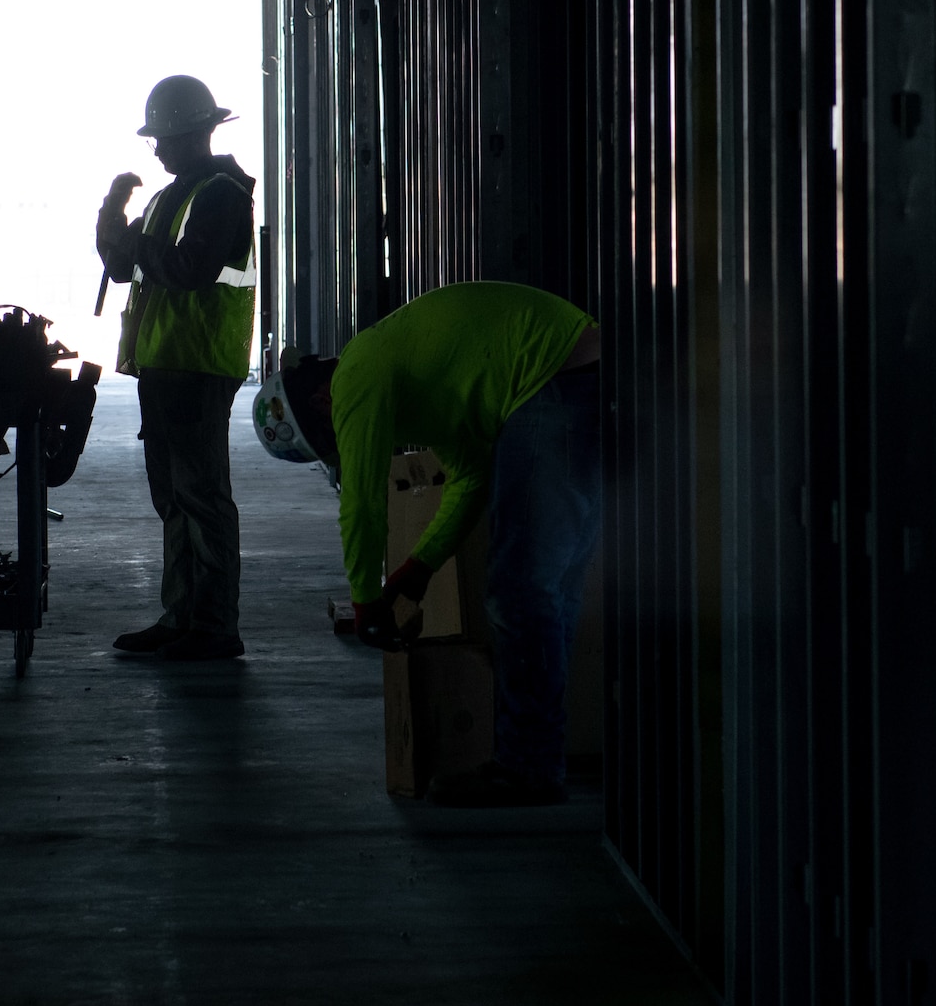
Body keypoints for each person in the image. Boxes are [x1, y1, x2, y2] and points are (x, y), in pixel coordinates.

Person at [251, 282, 601, 804]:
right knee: (552, 590)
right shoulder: (423, 385)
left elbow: (365, 501)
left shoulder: (354, 376)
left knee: (519, 590)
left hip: (550, 379)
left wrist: (367, 601)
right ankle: (546, 754)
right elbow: (470, 477)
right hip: (575, 374)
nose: (344, 449)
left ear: (323, 403)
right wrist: (418, 567)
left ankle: (528, 768)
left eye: (334, 441)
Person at [97, 75, 257, 662]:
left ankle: (214, 626)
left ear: (194, 135)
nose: (157, 148)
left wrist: (134, 244)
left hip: (197, 367)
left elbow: (189, 268)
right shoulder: (171, 197)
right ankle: (182, 615)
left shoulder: (221, 193)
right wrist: (112, 213)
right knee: (173, 498)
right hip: (165, 368)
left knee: (202, 496)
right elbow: (122, 263)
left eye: (163, 137)